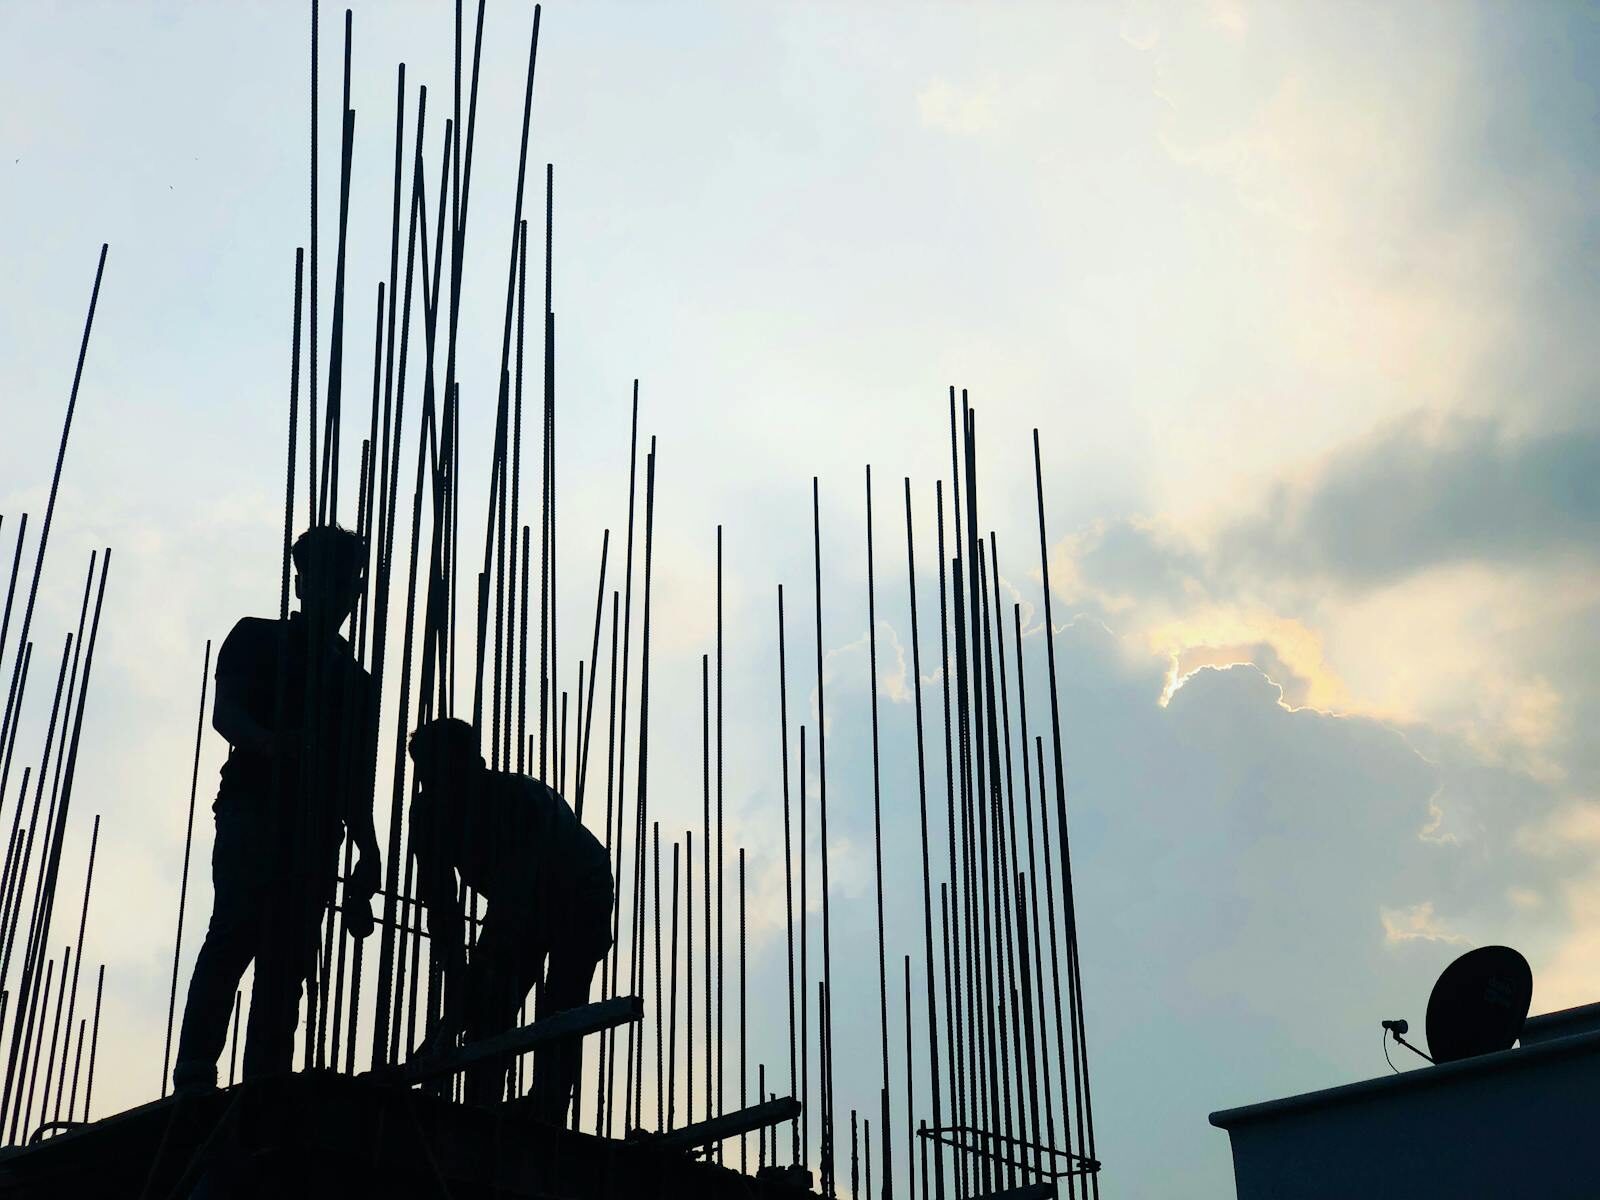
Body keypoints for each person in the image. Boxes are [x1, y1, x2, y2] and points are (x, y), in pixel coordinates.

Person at [172, 525, 381, 1091]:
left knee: (288, 957)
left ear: (355, 590)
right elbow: (226, 714)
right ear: (301, 583)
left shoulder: (359, 683)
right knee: (237, 927)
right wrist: (274, 744)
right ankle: (195, 1071)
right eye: (325, 579)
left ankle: (265, 1079)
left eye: (347, 581)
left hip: (316, 830)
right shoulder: (259, 638)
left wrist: (368, 850)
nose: (338, 592)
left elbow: (356, 778)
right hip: (254, 808)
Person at [407, 717, 613, 1118]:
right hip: (523, 898)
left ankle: (547, 1106)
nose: (428, 785)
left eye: (437, 773)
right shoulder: (429, 813)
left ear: (471, 765)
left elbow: (513, 911)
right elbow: (440, 906)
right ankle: (479, 1106)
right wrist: (458, 984)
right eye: (423, 774)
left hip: (581, 887)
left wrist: (464, 1000)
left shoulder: (516, 804)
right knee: (491, 1003)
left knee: (560, 1000)